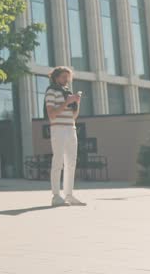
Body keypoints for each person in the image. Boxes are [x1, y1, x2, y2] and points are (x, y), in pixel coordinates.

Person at [44, 66, 86, 207]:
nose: (66, 79)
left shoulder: (67, 92)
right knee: (58, 162)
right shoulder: (51, 92)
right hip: (58, 129)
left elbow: (73, 116)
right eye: (63, 76)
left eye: (68, 77)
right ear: (56, 77)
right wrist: (67, 102)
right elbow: (51, 114)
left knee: (71, 163)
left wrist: (76, 103)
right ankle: (56, 196)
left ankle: (69, 195)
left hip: (70, 128)